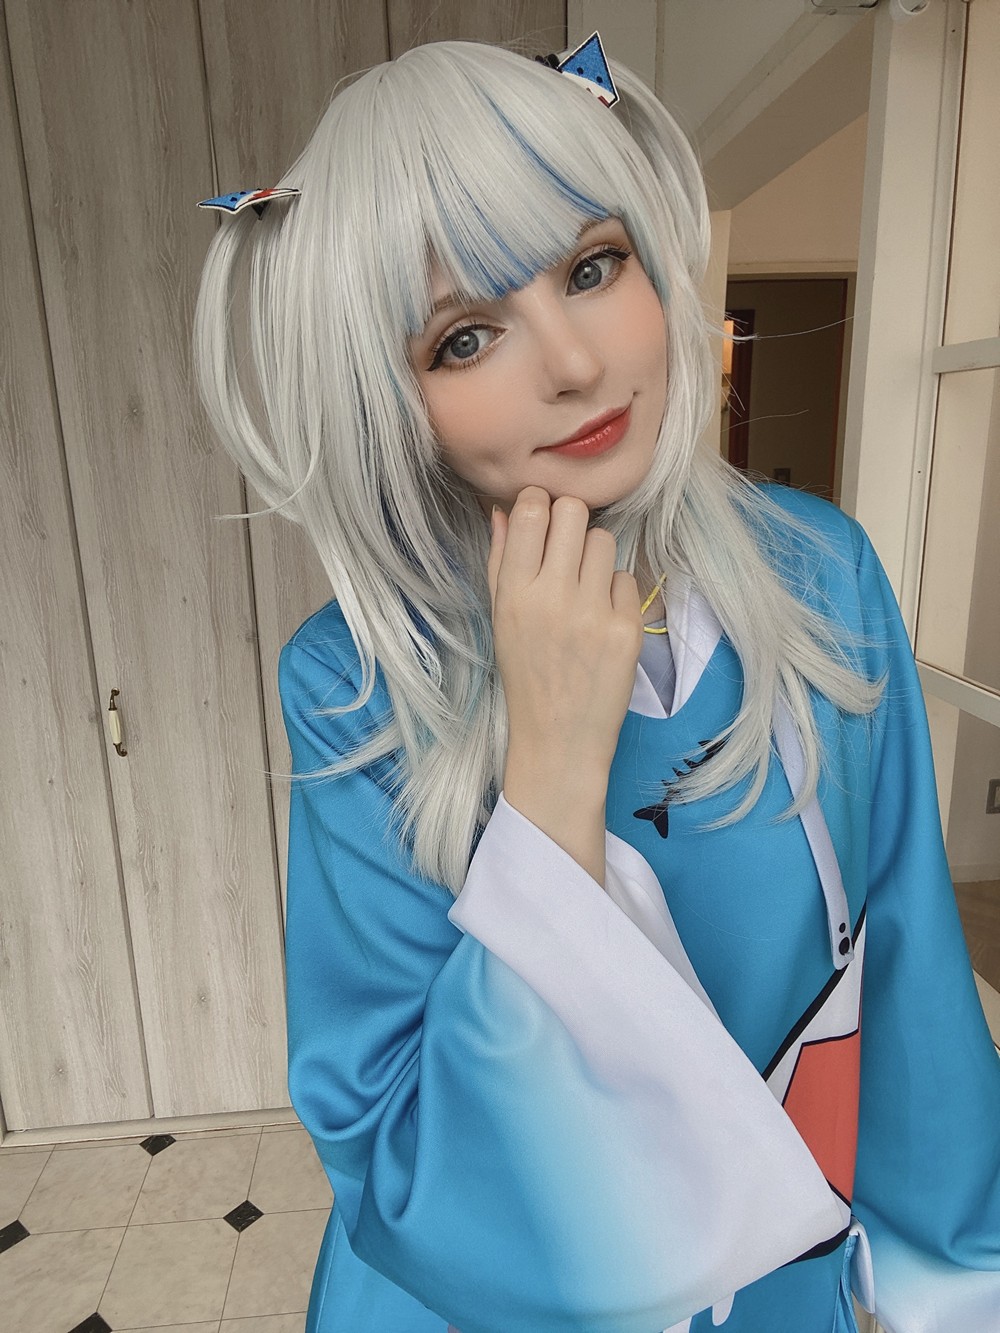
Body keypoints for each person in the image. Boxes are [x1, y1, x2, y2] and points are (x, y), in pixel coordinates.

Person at [192, 34, 1000, 1333]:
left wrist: (955, 1286)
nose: (570, 364)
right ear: (388, 399)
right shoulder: (352, 682)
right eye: (465, 337)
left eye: (590, 267)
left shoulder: (822, 572)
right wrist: (553, 769)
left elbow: (904, 979)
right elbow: (400, 1165)